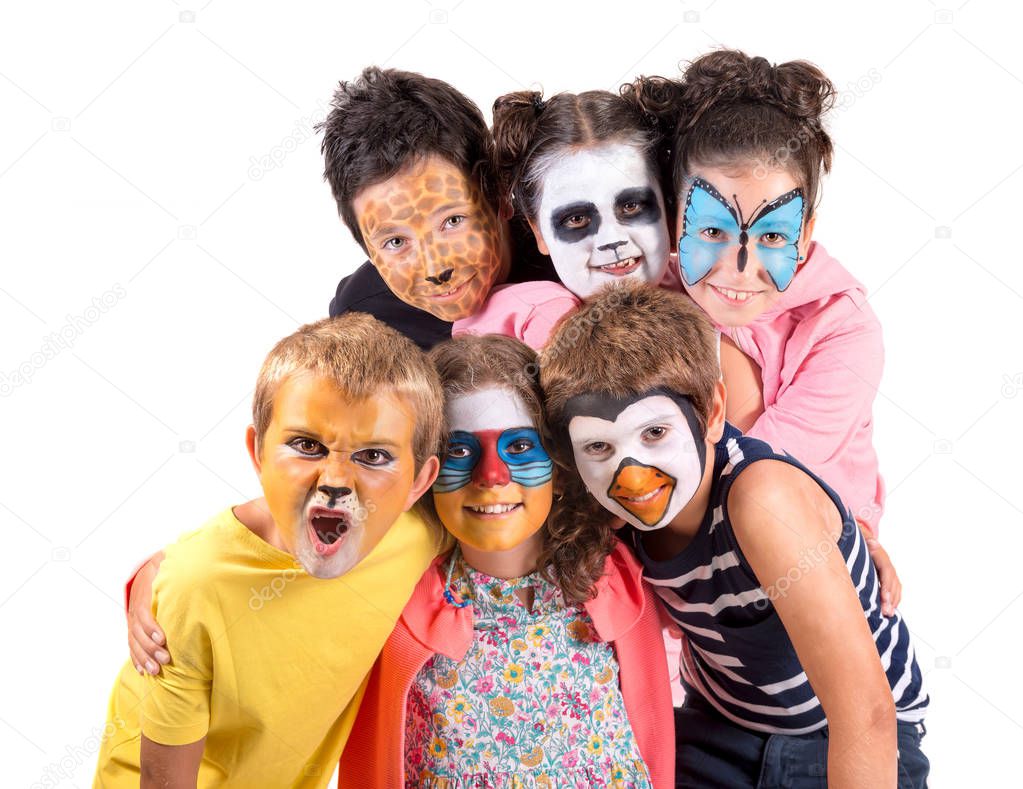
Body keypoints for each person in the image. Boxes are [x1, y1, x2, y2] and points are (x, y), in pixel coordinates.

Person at [540, 283, 928, 788]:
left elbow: (866, 714)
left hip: (844, 739)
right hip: (720, 729)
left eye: (655, 433)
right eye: (598, 446)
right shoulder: (615, 513)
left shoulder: (761, 500)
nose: (631, 475)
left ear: (713, 413)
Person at [93, 314, 443, 788]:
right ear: (257, 453)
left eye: (374, 456)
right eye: (307, 445)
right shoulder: (197, 585)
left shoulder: (416, 535)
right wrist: (164, 576)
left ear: (420, 482)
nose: (336, 482)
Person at [340, 334, 673, 787]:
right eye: (459, 450)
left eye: (518, 448)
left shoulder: (614, 580)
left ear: (558, 468)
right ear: (426, 473)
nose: (492, 477)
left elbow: (653, 746)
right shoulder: (397, 600)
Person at [643, 50, 888, 540]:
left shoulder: (844, 328)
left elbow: (763, 475)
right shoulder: (652, 291)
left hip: (811, 551)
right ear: (674, 219)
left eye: (773, 236)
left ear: (805, 234)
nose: (739, 267)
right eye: (712, 230)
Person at [319, 67, 557, 350]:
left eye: (452, 221)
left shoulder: (569, 255)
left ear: (499, 193)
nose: (436, 269)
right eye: (395, 242)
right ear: (364, 242)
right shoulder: (367, 322)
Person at [452, 88, 676, 348]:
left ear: (666, 203)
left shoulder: (711, 287)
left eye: (631, 206)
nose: (611, 240)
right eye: (576, 219)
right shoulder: (518, 326)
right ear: (539, 233)